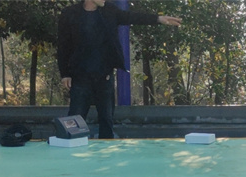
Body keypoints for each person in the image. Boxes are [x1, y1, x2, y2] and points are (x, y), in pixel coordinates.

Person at [57, 0, 181, 139]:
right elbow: (63, 46)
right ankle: (71, 150)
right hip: (80, 78)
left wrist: (158, 19)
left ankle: (106, 151)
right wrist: (65, 74)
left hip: (104, 77)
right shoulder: (69, 14)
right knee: (74, 121)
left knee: (107, 121)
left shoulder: (109, 11)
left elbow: (132, 17)